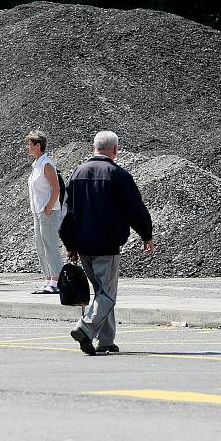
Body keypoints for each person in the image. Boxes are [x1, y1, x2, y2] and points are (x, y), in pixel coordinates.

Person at [59, 131, 154, 355]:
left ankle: (106, 341)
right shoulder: (117, 174)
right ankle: (85, 328)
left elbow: (67, 214)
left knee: (102, 291)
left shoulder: (77, 173)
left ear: (94, 147)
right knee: (108, 294)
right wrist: (146, 234)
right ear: (114, 150)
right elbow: (135, 209)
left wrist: (70, 244)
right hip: (107, 244)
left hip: (83, 246)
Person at [25, 130, 63, 294]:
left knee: (50, 246)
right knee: (41, 246)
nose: (27, 147)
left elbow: (56, 188)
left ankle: (56, 280)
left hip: (48, 211)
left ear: (38, 145)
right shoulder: (36, 165)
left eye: (29, 144)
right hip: (38, 211)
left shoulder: (46, 164)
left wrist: (48, 207)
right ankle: (48, 278)